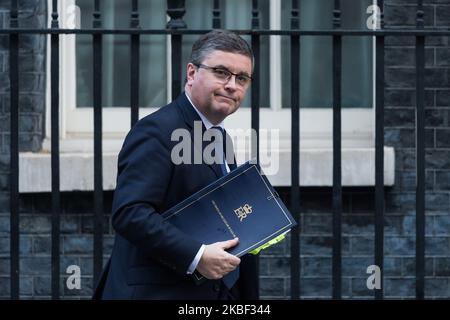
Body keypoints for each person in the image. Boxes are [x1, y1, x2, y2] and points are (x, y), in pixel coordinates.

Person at [93, 30, 259, 300]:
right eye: (221, 72)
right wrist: (198, 256)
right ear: (191, 73)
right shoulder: (156, 130)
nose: (232, 85)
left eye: (242, 78)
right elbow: (130, 213)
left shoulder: (219, 136)